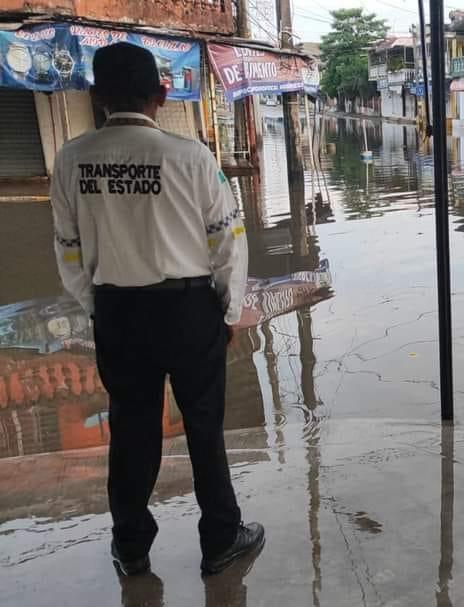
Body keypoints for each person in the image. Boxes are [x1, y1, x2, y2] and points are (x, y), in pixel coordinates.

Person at [49, 42, 264, 577]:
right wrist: (228, 310)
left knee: (131, 429)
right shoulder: (191, 156)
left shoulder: (70, 159)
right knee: (204, 425)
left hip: (118, 311)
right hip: (189, 310)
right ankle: (220, 540)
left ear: (97, 96)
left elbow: (68, 249)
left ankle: (131, 547)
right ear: (162, 94)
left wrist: (98, 305)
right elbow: (228, 241)